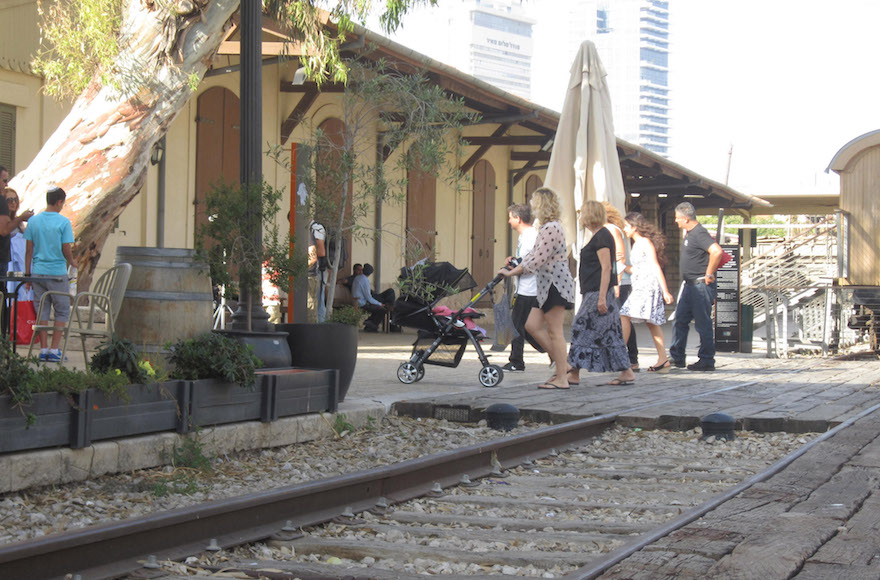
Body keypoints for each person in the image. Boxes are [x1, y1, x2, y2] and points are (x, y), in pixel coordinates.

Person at [498, 187, 575, 390]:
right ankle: (563, 365)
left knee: (555, 332)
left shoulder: (551, 228)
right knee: (532, 325)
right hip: (546, 286)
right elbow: (533, 255)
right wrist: (516, 266)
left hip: (555, 285)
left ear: (541, 205)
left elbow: (538, 258)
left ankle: (562, 377)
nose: (532, 207)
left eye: (534, 203)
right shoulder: (546, 228)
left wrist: (512, 272)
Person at [566, 201, 635, 386]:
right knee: (609, 333)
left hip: (598, 292)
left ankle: (573, 370)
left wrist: (602, 296)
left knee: (581, 327)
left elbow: (606, 268)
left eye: (582, 214)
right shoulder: (598, 235)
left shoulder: (602, 237)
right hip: (596, 291)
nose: (580, 217)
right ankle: (625, 371)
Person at [669, 201, 723, 371]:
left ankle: (707, 359)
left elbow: (717, 251)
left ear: (685, 219)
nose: (675, 222)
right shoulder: (689, 234)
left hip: (700, 284)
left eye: (677, 218)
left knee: (702, 323)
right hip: (689, 285)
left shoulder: (699, 233)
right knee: (680, 320)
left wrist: (709, 273)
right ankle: (677, 356)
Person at [25, 186, 76, 362]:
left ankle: (44, 349)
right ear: (60, 202)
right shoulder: (63, 222)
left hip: (37, 273)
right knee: (61, 311)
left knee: (42, 311)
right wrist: (73, 262)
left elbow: (29, 250)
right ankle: (55, 350)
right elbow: (66, 248)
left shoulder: (33, 221)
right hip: (57, 273)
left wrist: (27, 275)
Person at [620, 212, 674, 372]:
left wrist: (665, 291)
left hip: (647, 286)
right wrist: (622, 264)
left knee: (624, 314)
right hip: (640, 284)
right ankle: (663, 358)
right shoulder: (637, 244)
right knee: (651, 322)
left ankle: (619, 353)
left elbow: (655, 265)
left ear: (634, 227)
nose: (624, 229)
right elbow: (636, 269)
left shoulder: (644, 242)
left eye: (626, 226)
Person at [502, 203, 542, 372]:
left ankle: (517, 361)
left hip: (530, 288)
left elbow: (530, 262)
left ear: (518, 218)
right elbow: (524, 259)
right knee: (523, 325)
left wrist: (511, 269)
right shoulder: (525, 236)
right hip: (525, 287)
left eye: (510, 218)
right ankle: (548, 350)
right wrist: (513, 260)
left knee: (518, 325)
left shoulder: (530, 236)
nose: (509, 221)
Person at [602, 201, 638, 372]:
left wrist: (616, 281)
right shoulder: (610, 229)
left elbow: (620, 257)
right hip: (618, 281)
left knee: (621, 319)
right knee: (621, 319)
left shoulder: (611, 229)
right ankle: (630, 358)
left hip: (620, 282)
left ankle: (629, 358)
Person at [352, 263, 390, 332]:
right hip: (361, 303)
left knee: (376, 308)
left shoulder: (357, 278)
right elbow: (368, 298)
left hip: (356, 301)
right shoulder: (365, 280)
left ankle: (370, 324)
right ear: (370, 274)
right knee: (382, 310)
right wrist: (380, 304)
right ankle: (371, 323)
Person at [308, 219, 328, 322]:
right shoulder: (311, 229)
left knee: (318, 301)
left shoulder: (316, 228)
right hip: (314, 269)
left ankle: (320, 325)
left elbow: (320, 252)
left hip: (318, 269)